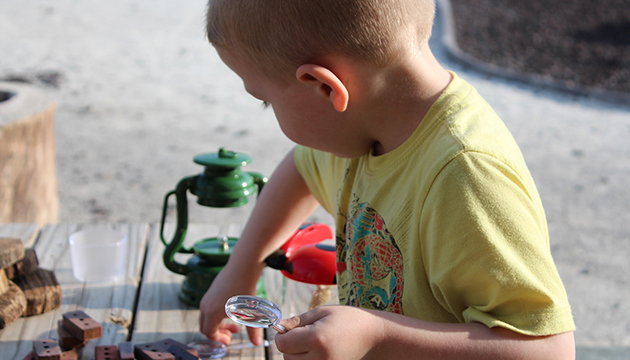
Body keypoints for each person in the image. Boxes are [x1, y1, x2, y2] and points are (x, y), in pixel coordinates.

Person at [198, 0, 576, 358]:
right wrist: (243, 266)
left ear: (326, 86)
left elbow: (548, 351)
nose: (268, 110)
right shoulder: (363, 128)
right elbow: (301, 169)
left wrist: (377, 338)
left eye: (265, 100)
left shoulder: (465, 176)